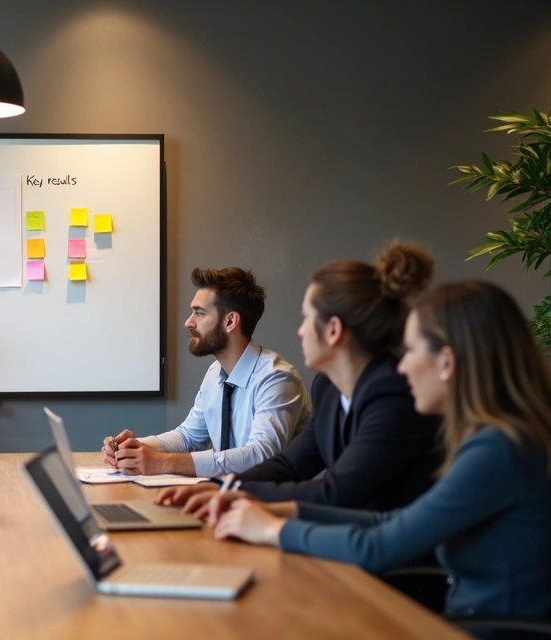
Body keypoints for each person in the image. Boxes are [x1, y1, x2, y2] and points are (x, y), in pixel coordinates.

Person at [211, 281, 551, 619]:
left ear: (446, 362)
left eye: (412, 351)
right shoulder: (499, 439)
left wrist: (272, 530)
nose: (402, 367)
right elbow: (392, 521)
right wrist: (288, 512)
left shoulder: (497, 449)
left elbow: (378, 547)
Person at [158, 243, 442, 516]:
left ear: (333, 330)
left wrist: (229, 495)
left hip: (391, 557)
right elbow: (289, 466)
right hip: (348, 540)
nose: (300, 332)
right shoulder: (328, 388)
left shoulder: (394, 394)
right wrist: (219, 487)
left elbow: (337, 492)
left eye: (306, 318)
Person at [101, 267, 311, 476]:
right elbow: (188, 437)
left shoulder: (277, 378)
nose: (188, 322)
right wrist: (132, 447)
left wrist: (164, 462)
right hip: (222, 498)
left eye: (199, 313)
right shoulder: (215, 373)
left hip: (271, 504)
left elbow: (262, 455)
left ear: (230, 321)